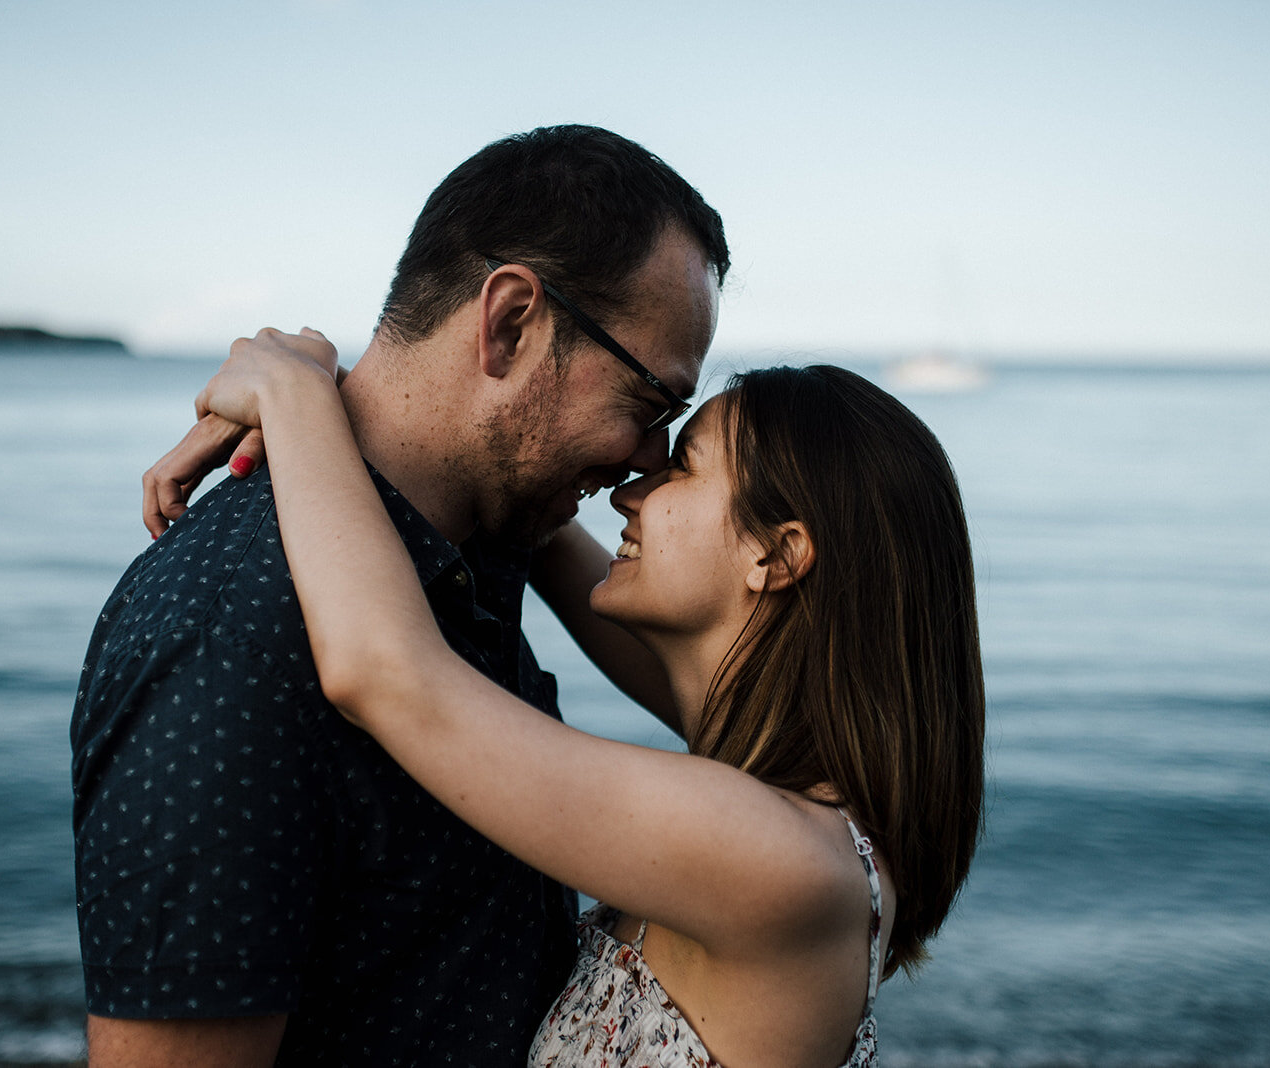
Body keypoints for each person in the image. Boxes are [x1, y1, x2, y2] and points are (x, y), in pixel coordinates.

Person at [71, 125, 729, 1066]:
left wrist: (305, 394)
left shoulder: (484, 540)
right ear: (508, 324)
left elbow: (758, 709)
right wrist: (301, 396)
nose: (647, 469)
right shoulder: (235, 631)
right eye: (651, 405)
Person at [175, 329, 986, 1067]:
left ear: (777, 556)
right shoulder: (801, 803)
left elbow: (384, 675)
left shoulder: (775, 859)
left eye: (683, 469)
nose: (629, 492)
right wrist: (378, 402)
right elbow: (538, 515)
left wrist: (295, 397)